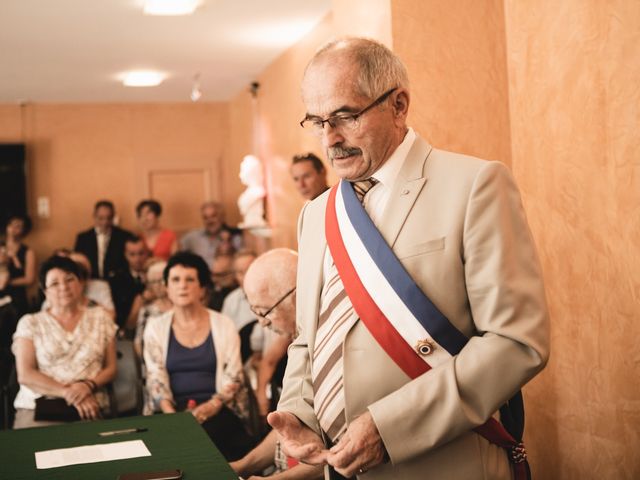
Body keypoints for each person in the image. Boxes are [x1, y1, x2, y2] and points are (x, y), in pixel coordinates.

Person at [269, 38, 550, 480]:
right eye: (317, 120)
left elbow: (515, 344)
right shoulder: (315, 214)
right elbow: (308, 339)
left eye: (345, 116)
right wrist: (299, 409)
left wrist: (389, 429)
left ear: (398, 104)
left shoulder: (474, 185)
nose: (330, 139)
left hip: (446, 465)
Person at [143, 252, 255, 461]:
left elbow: (234, 377)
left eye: (190, 279)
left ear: (202, 287)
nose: (182, 286)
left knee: (212, 442)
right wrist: (173, 416)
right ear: (166, 287)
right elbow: (155, 378)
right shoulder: (155, 328)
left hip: (217, 409)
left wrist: (209, 408)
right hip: (170, 410)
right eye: (175, 280)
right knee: (170, 447)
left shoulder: (224, 324)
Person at [231, 248, 322, 480]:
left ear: (295, 296)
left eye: (265, 312)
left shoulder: (329, 345)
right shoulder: (297, 340)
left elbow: (334, 454)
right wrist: (243, 465)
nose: (262, 323)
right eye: (255, 313)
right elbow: (288, 430)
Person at [11, 255, 117, 428]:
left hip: (90, 404)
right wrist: (68, 392)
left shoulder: (101, 317)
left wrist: (87, 386)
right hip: (38, 407)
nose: (64, 287)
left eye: (70, 279)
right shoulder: (30, 322)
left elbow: (111, 368)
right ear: (45, 290)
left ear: (81, 283)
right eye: (54, 283)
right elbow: (25, 374)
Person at [74, 200, 133, 279]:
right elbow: (78, 264)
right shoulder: (83, 238)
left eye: (109, 218)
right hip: (91, 282)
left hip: (118, 283)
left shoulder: (124, 236)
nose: (105, 222)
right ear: (94, 216)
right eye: (101, 218)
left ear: (113, 217)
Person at [221, 250, 258, 363]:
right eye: (240, 272)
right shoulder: (231, 301)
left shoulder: (275, 295)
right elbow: (225, 339)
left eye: (250, 269)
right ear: (235, 276)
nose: (246, 276)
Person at [180, 201, 244, 266]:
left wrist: (228, 242)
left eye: (213, 216)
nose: (210, 221)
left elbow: (240, 260)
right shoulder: (191, 238)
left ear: (222, 217)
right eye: (206, 218)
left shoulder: (234, 237)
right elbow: (180, 256)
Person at [134, 260, 172, 358]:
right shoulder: (146, 311)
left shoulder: (182, 307)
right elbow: (138, 342)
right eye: (153, 282)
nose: (158, 285)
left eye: (161, 280)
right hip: (154, 359)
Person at [108, 236, 149, 330]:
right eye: (132, 254)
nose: (137, 259)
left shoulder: (155, 275)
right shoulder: (116, 281)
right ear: (126, 255)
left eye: (141, 253)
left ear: (147, 253)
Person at [3, 214, 36, 317]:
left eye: (18, 226)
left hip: (17, 297)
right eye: (11, 225)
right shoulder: (1, 247)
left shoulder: (28, 252)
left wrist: (7, 282)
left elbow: (29, 279)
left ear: (24, 230)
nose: (13, 229)